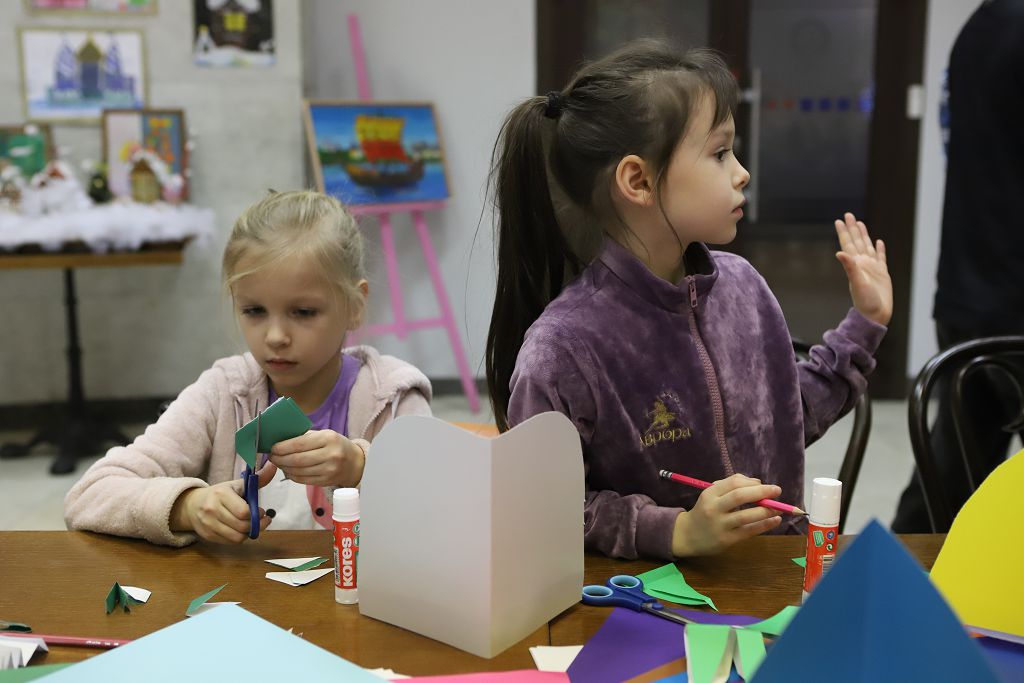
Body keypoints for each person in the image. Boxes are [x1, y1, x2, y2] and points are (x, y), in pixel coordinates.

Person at [485, 41, 892, 561]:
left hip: (773, 577)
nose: (741, 172)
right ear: (639, 180)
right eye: (720, 153)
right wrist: (675, 531)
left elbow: (786, 423)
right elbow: (543, 508)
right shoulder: (563, 349)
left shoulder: (744, 288)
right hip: (655, 598)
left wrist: (866, 322)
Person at [64, 190, 432, 546]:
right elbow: (89, 494)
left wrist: (362, 467)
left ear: (355, 306)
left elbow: (443, 514)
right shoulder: (222, 393)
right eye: (254, 310)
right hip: (239, 590)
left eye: (303, 312)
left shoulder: (393, 399)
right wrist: (186, 506)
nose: (275, 336)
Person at [892, 0, 1024, 533]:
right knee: (953, 474)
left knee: (951, 477)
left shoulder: (981, 26)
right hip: (1012, 300)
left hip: (969, 290)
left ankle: (893, 575)